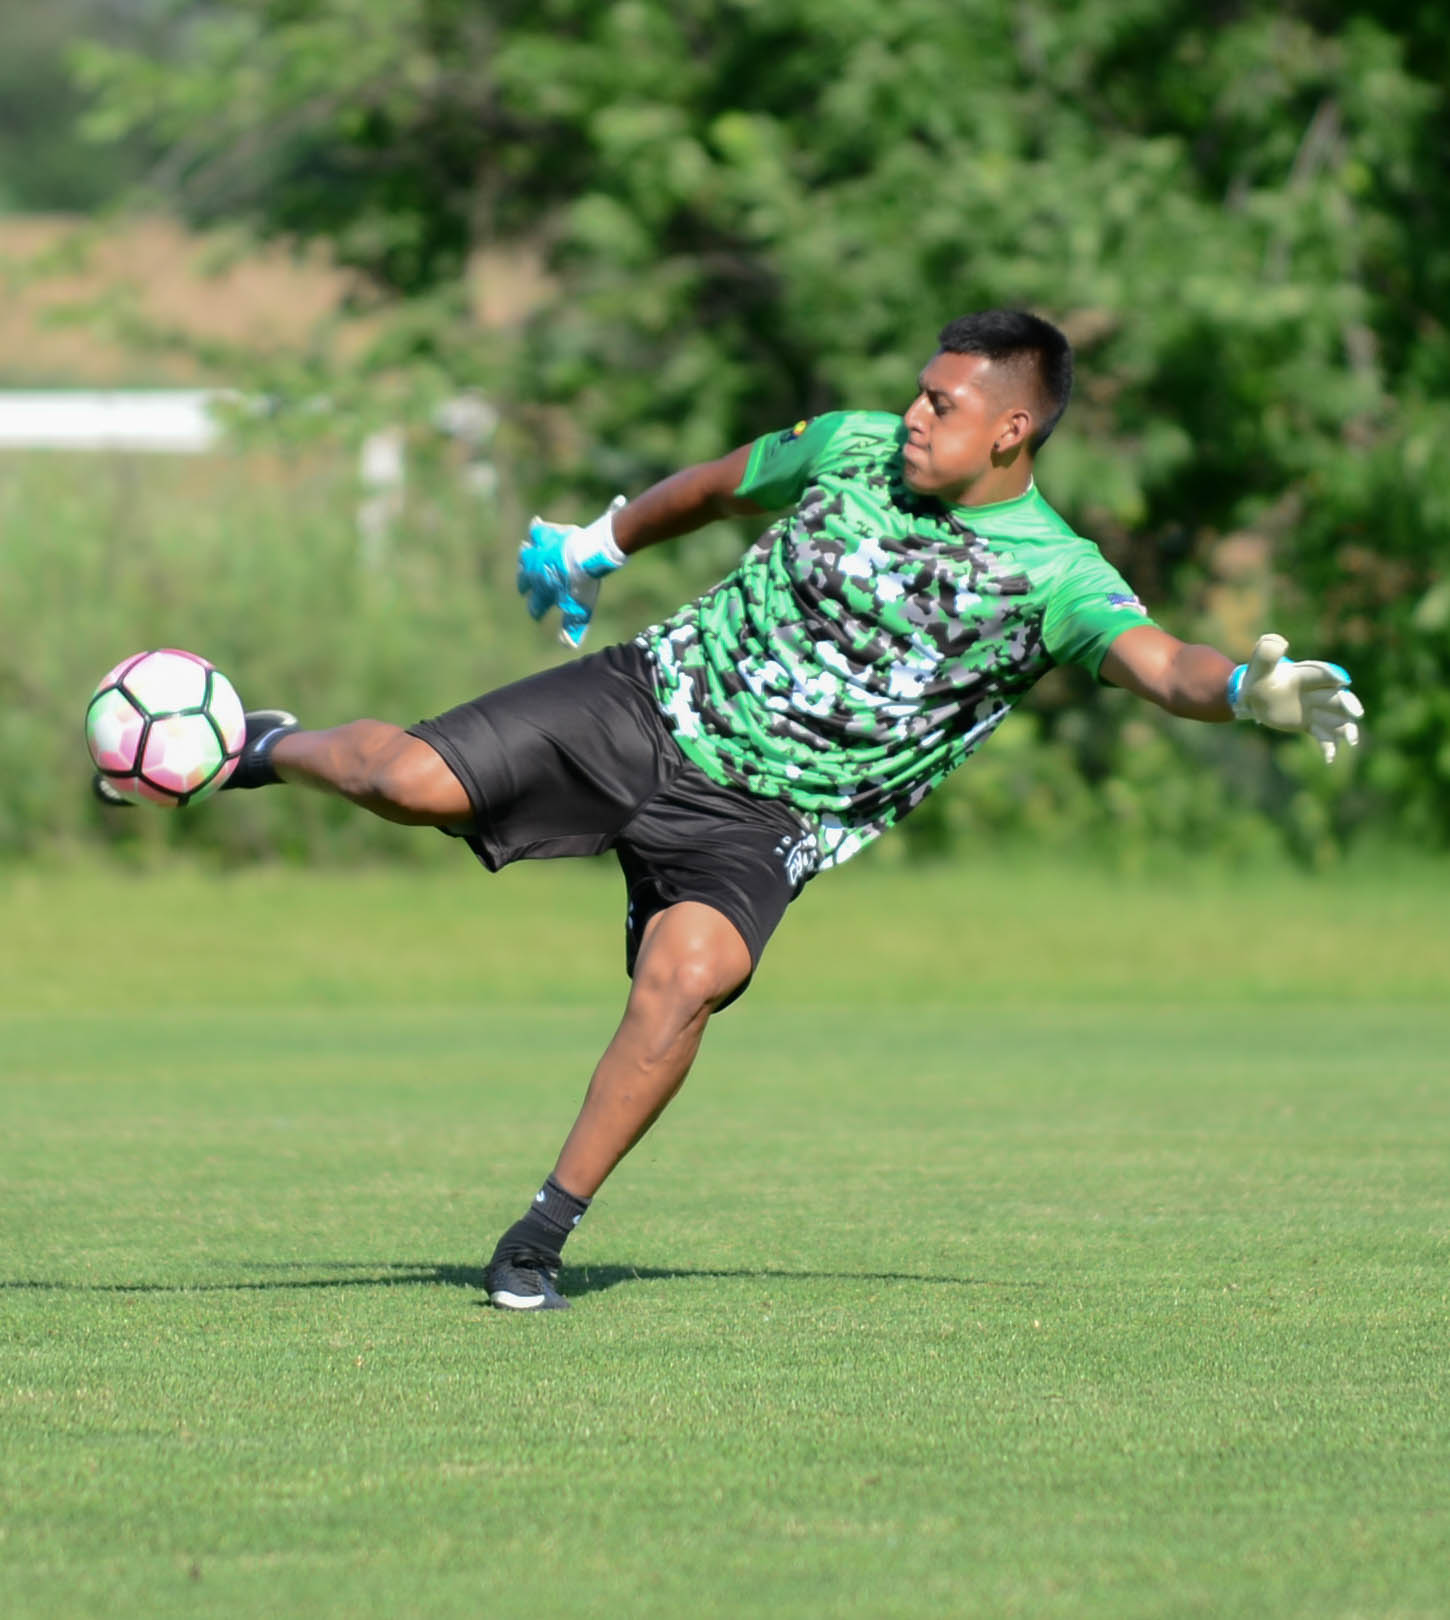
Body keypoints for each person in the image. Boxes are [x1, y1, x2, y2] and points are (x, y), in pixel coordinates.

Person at [94, 310, 1363, 1310]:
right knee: (402, 779)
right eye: (920, 390)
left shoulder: (1056, 576)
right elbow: (711, 486)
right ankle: (267, 744)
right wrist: (598, 546)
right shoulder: (849, 446)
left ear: (1014, 432)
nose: (915, 413)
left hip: (763, 821)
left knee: (689, 971)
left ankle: (539, 1237)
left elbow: (1161, 665)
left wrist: (1252, 689)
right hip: (646, 703)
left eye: (945, 403)